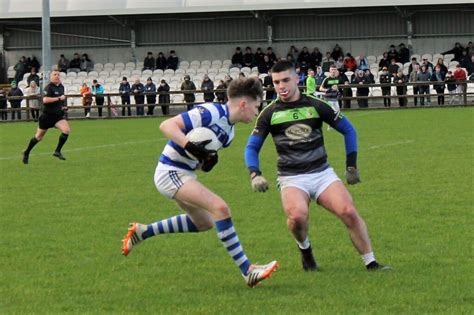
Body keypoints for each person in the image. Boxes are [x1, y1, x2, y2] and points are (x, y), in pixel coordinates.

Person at [121, 77, 278, 287]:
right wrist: (192, 148)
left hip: (185, 173)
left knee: (204, 222)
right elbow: (167, 125)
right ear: (243, 104)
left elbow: (199, 158)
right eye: (256, 106)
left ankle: (143, 231)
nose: (256, 112)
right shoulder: (211, 112)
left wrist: (205, 162)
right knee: (220, 208)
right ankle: (247, 270)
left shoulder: (229, 133)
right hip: (170, 171)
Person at [244, 60, 390, 272]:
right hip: (291, 177)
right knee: (297, 217)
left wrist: (351, 166)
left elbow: (349, 130)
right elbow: (251, 147)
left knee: (349, 211)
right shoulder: (269, 113)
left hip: (322, 174)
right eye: (276, 82)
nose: (281, 86)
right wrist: (255, 173)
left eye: (286, 80)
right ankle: (306, 251)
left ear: (296, 79)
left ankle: (372, 263)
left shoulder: (315, 105)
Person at [22, 70, 70, 164]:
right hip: (47, 117)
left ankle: (57, 151)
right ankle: (27, 152)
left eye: (58, 75)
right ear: (51, 77)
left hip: (57, 116)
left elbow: (61, 100)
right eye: (54, 74)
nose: (57, 76)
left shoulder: (61, 87)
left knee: (66, 130)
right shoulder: (48, 87)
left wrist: (63, 106)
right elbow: (45, 100)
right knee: (38, 137)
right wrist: (59, 98)